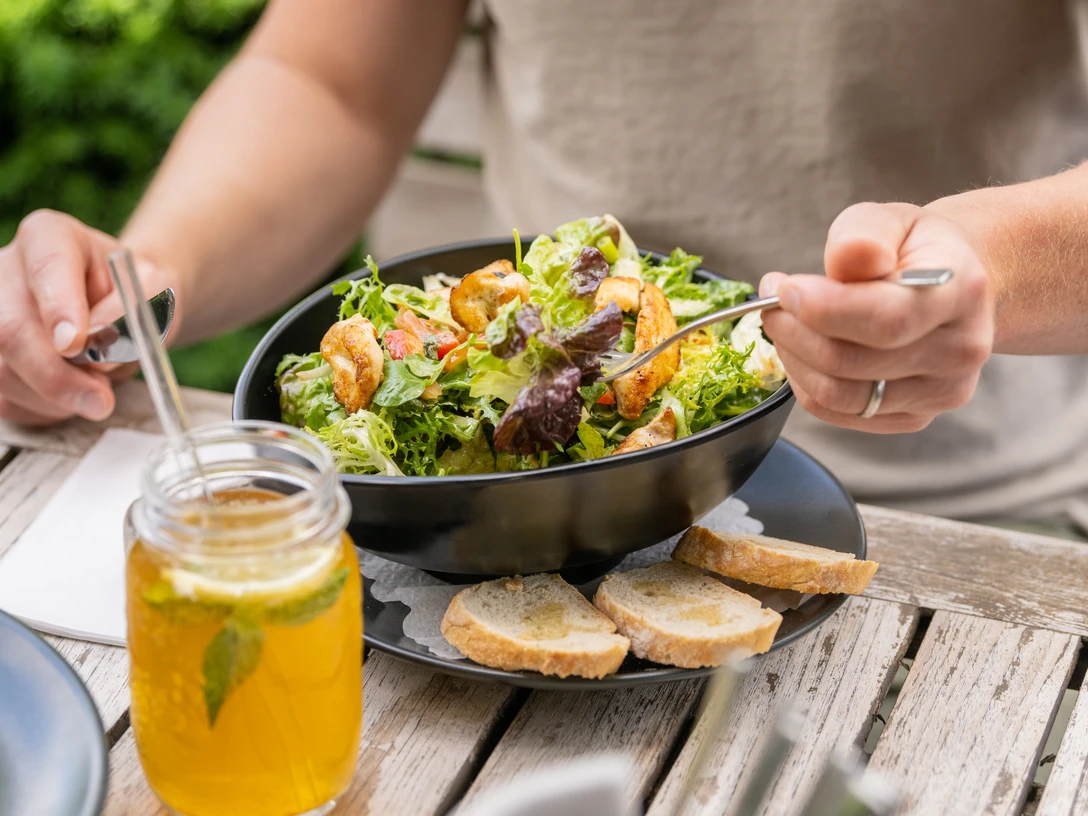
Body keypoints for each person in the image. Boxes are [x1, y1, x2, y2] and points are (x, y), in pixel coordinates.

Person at [1, 0, 1087, 537]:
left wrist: (986, 263)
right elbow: (334, 80)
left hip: (966, 519)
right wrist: (142, 278)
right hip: (493, 520)